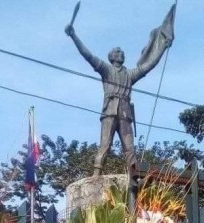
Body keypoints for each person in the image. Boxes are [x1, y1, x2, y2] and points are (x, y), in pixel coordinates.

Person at [65, 4, 175, 176]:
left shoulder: (130, 75)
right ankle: (96, 173)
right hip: (109, 111)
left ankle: (134, 175)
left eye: (122, 52)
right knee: (105, 144)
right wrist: (73, 36)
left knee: (129, 148)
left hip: (124, 112)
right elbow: (88, 55)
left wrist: (162, 47)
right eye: (118, 52)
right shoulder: (106, 69)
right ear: (112, 57)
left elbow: (149, 64)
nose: (121, 53)